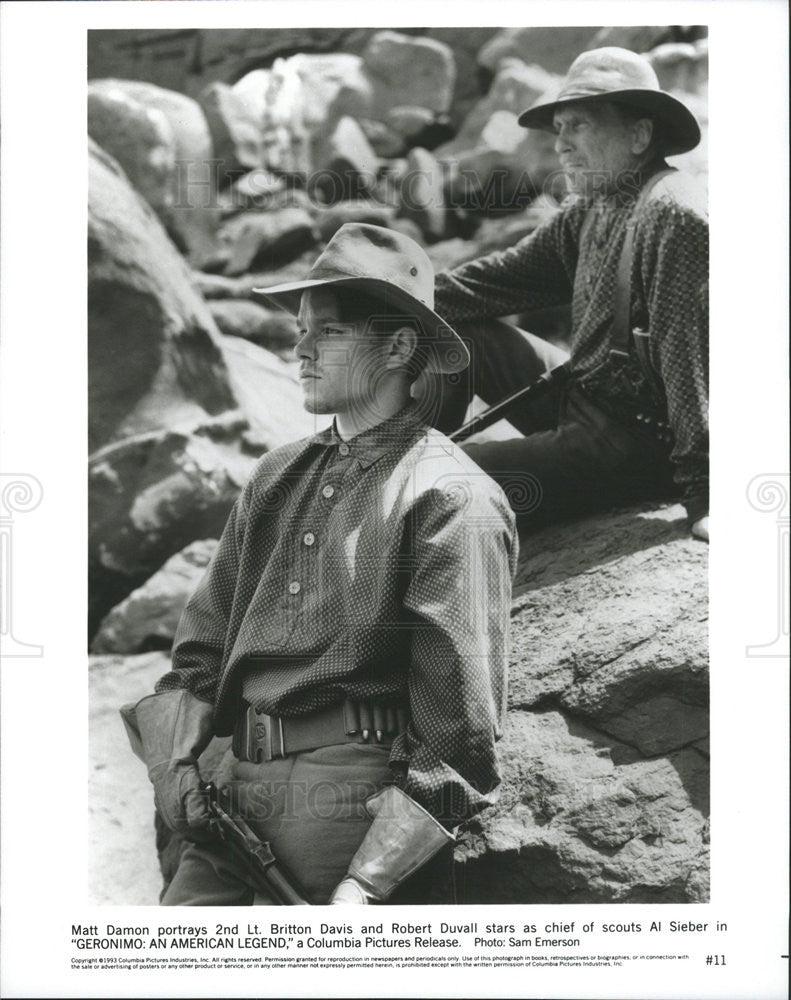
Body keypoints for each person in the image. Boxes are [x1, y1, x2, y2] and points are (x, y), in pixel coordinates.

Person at [124, 223, 518, 906]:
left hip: (346, 804)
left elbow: (458, 729)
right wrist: (171, 764)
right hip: (224, 795)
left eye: (326, 332)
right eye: (299, 328)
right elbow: (195, 660)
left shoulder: (450, 497)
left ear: (398, 347)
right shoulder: (275, 475)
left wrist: (366, 883)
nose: (298, 348)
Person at [425, 47, 709, 541]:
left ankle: (409, 485)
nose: (561, 145)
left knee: (433, 481)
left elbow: (690, 362)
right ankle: (386, 455)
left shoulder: (674, 217)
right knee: (451, 328)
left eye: (578, 125)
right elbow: (496, 281)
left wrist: (705, 495)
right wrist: (386, 301)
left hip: (633, 441)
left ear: (639, 135)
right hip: (582, 397)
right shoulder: (593, 206)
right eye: (558, 130)